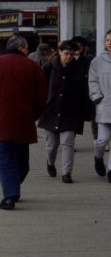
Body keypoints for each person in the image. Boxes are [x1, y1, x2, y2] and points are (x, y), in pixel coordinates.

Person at [0, 35, 47, 210]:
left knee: (5, 159)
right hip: (23, 121)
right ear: (21, 47)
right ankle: (12, 189)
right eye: (27, 47)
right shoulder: (33, 67)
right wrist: (34, 115)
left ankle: (10, 194)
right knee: (22, 161)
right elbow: (42, 97)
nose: (28, 50)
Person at [38, 40, 88, 183]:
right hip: (51, 111)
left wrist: (86, 112)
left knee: (68, 143)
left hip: (70, 112)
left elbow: (83, 93)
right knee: (51, 145)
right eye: (66, 54)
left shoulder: (78, 70)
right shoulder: (49, 67)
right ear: (59, 52)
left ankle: (67, 173)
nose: (69, 57)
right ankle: (50, 162)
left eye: (72, 54)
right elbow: (40, 88)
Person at [88, 29, 111, 181]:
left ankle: (110, 171)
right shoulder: (97, 61)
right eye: (108, 40)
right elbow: (92, 81)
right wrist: (97, 97)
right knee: (102, 139)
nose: (110, 43)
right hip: (105, 106)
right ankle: (98, 157)